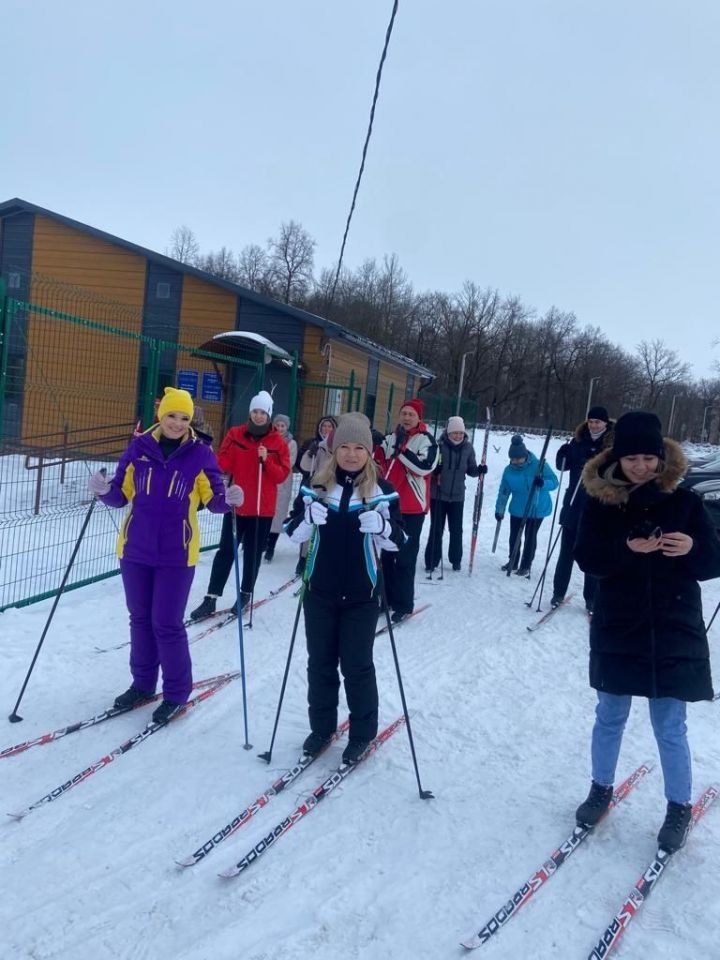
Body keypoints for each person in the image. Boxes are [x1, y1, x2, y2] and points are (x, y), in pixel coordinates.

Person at [573, 411, 720, 853]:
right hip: (620, 622)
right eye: (632, 457)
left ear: (661, 458)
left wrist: (693, 547)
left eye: (648, 458)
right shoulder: (602, 500)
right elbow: (586, 557)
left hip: (672, 624)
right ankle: (601, 788)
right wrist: (625, 549)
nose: (640, 466)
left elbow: (712, 562)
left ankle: (678, 807)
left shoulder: (686, 502)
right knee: (610, 714)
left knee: (670, 724)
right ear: (619, 457)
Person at [88, 387, 242, 724]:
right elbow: (120, 495)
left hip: (177, 553)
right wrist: (103, 491)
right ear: (162, 415)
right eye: (172, 415)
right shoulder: (139, 448)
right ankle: (143, 684)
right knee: (140, 619)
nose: (177, 423)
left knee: (167, 623)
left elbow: (213, 500)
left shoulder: (200, 455)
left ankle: (175, 692)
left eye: (184, 418)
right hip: (135, 550)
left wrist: (228, 498)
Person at [285, 413, 405, 764]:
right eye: (345, 447)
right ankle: (321, 727)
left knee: (356, 666)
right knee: (319, 663)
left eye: (359, 448)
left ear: (369, 452)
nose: (351, 454)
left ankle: (362, 733)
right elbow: (293, 532)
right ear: (335, 449)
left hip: (361, 595)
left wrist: (383, 526)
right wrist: (306, 519)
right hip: (319, 591)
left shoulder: (382, 492)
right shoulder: (315, 488)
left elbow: (401, 542)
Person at [190, 390, 291, 619]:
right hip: (237, 505)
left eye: (262, 412)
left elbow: (281, 476)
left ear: (269, 415)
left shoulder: (278, 443)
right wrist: (205, 453)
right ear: (250, 412)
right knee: (226, 551)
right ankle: (211, 598)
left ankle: (245, 594)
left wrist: (266, 461)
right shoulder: (236, 434)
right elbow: (222, 464)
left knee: (253, 554)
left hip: (261, 509)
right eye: (255, 411)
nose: (258, 416)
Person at [374, 398, 439, 621]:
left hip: (412, 507)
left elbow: (424, 467)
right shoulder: (390, 437)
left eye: (411, 414)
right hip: (389, 504)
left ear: (419, 418)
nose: (407, 418)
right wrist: (375, 445)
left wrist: (401, 450)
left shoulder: (426, 440)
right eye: (404, 414)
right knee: (387, 554)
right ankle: (385, 599)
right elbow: (378, 462)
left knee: (405, 557)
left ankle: (403, 604)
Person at [550, 406, 614, 613]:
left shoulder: (612, 445)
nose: (594, 425)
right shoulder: (578, 441)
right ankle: (558, 592)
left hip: (597, 507)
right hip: (574, 503)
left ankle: (592, 599)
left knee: (591, 554)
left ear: (606, 423)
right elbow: (562, 466)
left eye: (598, 422)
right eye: (591, 421)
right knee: (565, 554)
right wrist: (563, 455)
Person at [424, 415, 485, 573]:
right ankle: (432, 560)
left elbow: (471, 469)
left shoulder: (468, 448)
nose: (457, 435)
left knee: (456, 530)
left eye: (460, 433)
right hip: (438, 494)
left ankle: (456, 559)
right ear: (448, 432)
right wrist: (435, 470)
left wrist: (479, 470)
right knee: (436, 529)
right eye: (454, 433)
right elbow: (429, 466)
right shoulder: (438, 446)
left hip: (458, 496)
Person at [494, 433, 559, 578]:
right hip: (517, 508)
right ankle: (513, 560)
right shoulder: (508, 470)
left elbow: (555, 482)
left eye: (519, 458)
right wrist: (499, 510)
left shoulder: (539, 465)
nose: (516, 461)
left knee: (530, 537)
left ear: (525, 455)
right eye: (513, 459)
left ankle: (526, 564)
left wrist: (543, 483)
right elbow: (504, 492)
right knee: (514, 536)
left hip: (537, 508)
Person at [264, 413, 297, 562]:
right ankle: (262, 542)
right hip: (268, 480)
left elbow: (289, 463)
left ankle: (271, 546)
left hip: (282, 482)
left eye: (282, 425)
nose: (280, 428)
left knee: (277, 515)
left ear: (287, 427)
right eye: (277, 425)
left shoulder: (291, 443)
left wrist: (272, 465)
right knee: (265, 512)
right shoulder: (267, 439)